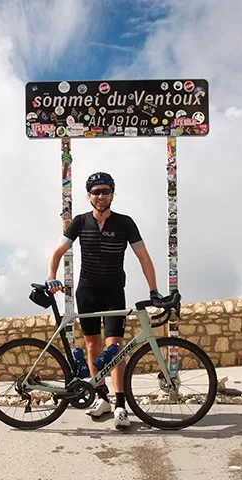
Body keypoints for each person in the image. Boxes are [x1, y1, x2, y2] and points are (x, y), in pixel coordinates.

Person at [46, 172, 164, 430]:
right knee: (91, 347)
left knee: (115, 347)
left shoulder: (125, 223)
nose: (101, 196)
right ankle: (102, 399)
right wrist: (50, 277)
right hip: (86, 291)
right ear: (88, 195)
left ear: (113, 194)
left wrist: (153, 290)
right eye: (96, 191)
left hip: (113, 293)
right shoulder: (79, 222)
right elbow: (57, 252)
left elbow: (143, 256)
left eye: (106, 191)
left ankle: (121, 405)